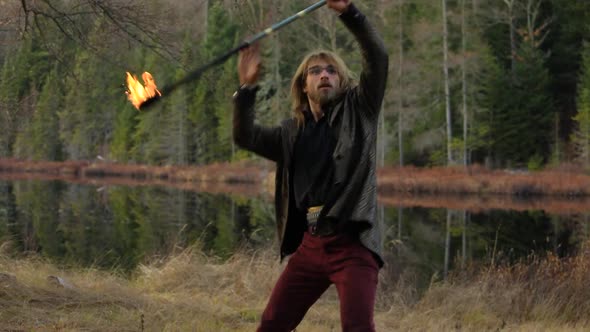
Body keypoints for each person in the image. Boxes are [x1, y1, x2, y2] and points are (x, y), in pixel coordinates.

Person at [232, 0, 388, 330]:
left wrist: (350, 13)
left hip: (353, 246)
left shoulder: (360, 111)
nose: (325, 75)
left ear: (343, 82)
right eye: (315, 71)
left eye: (332, 71)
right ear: (304, 84)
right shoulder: (291, 134)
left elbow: (377, 57)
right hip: (312, 245)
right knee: (272, 323)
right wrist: (247, 89)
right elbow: (245, 137)